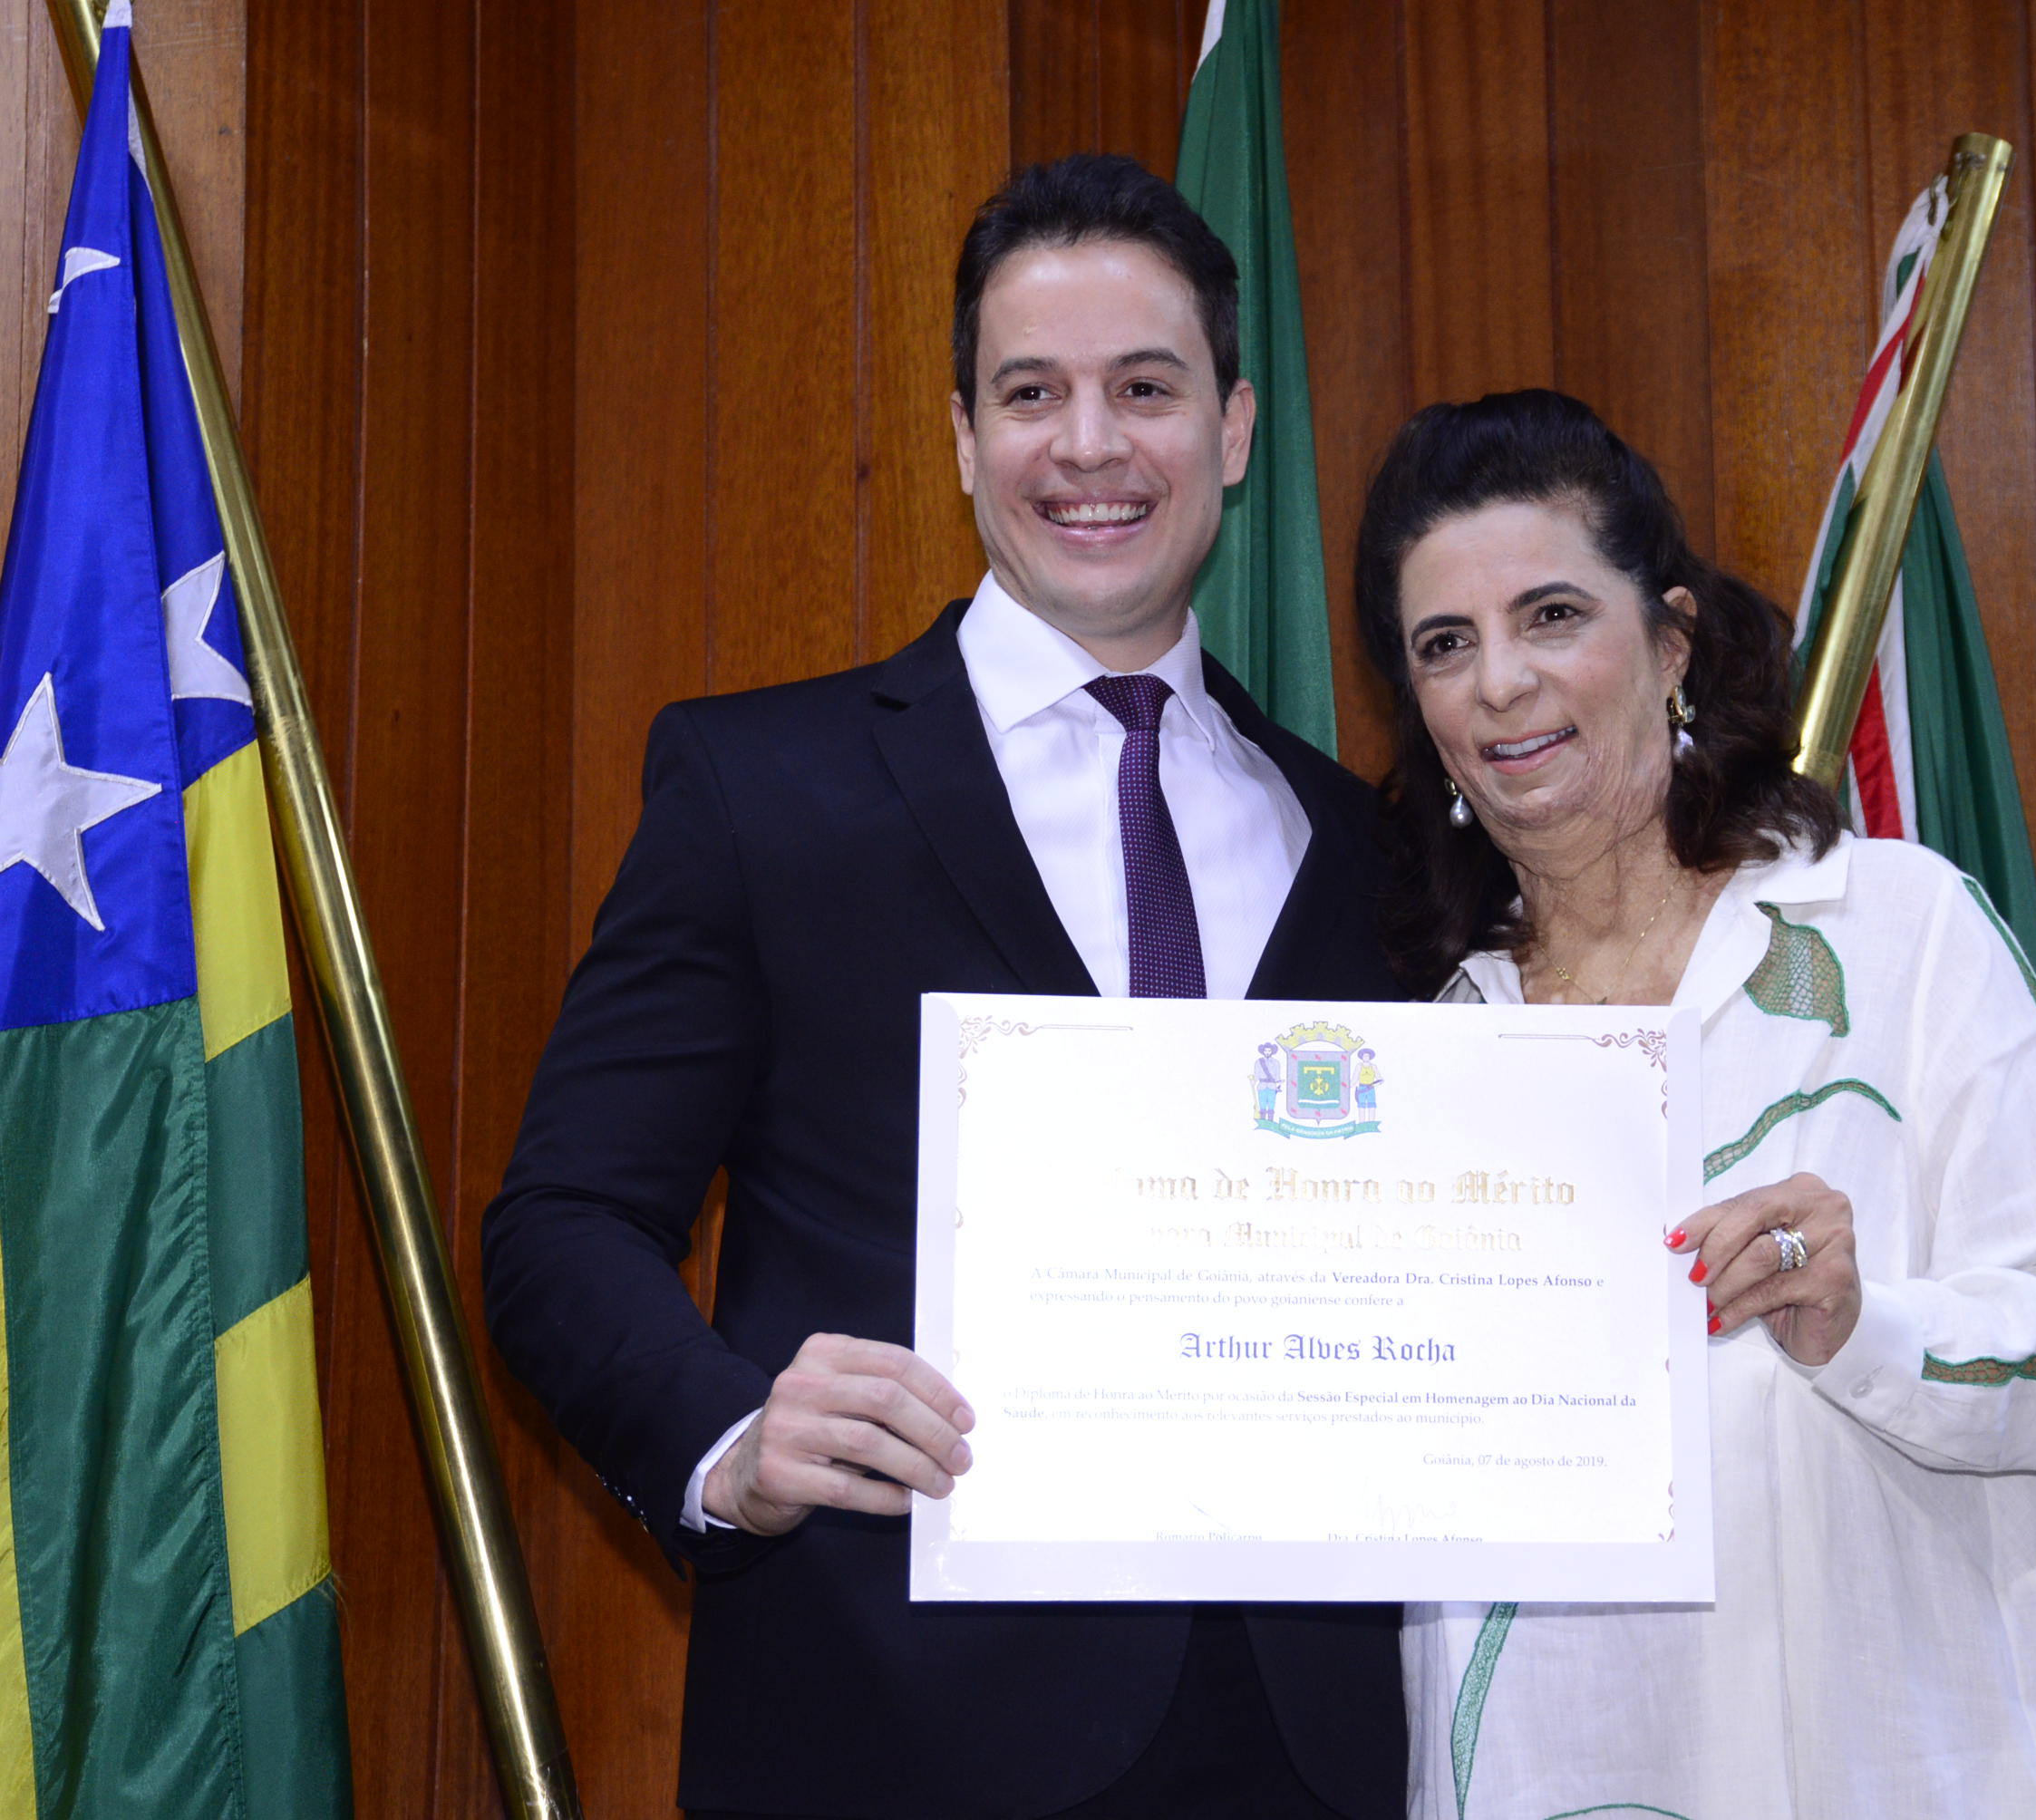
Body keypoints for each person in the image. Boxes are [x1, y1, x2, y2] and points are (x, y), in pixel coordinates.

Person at [481, 155, 1406, 1820]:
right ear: (966, 438)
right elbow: (561, 1225)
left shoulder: (1361, 843)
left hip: (1304, 1751)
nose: (1090, 445)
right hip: (882, 1729)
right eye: (1031, 393)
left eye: (1146, 389)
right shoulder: (758, 789)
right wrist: (730, 1441)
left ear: (1235, 431)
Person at [1350, 389, 2036, 1818]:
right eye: (1445, 644)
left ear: (1671, 641)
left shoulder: (1896, 930)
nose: (1499, 681)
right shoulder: (1430, 1055)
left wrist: (1870, 1328)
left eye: (1552, 616)